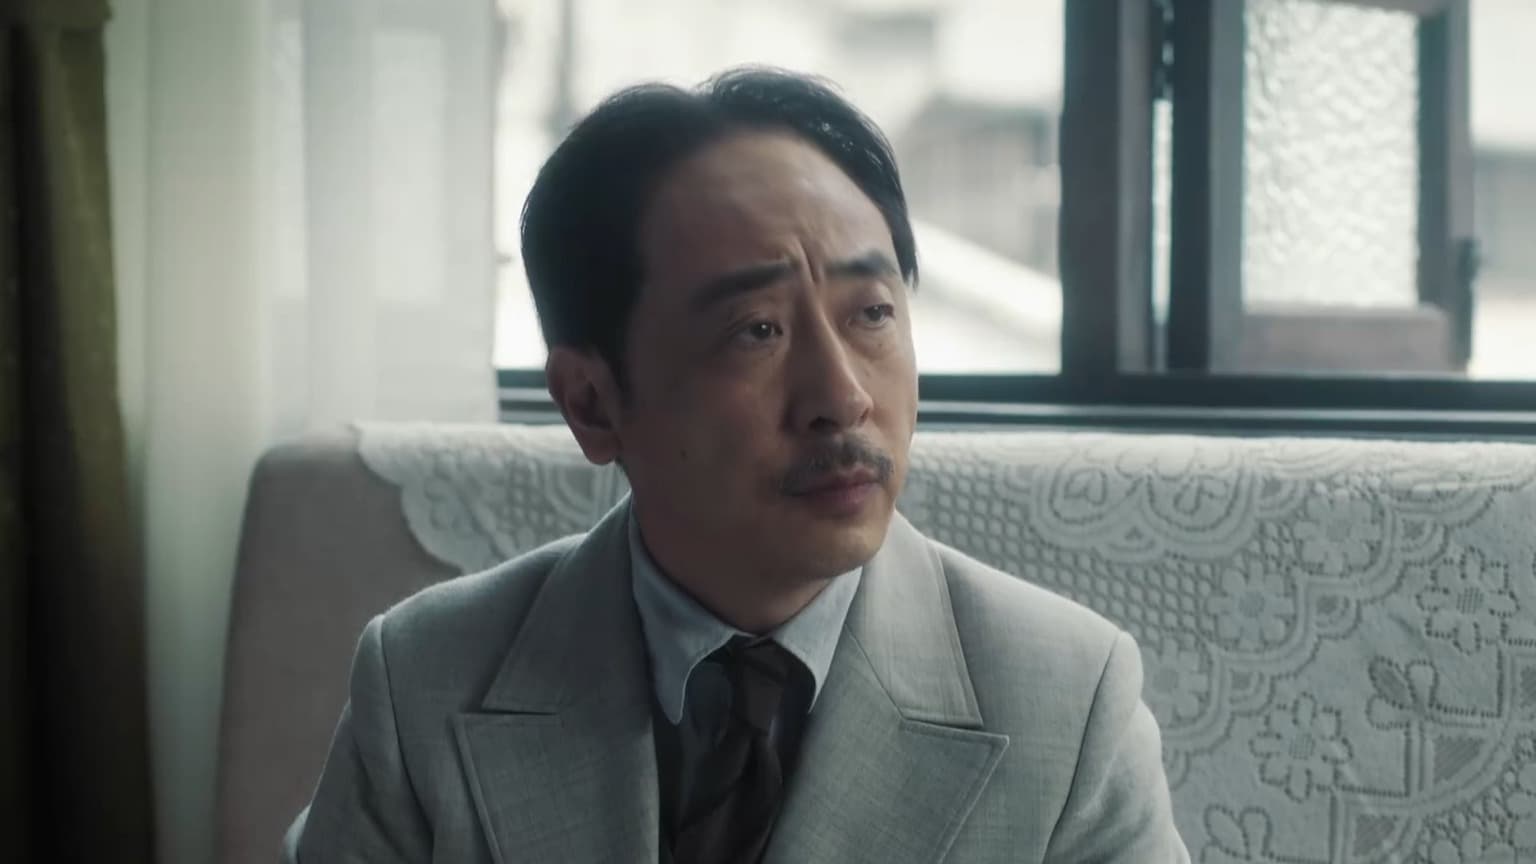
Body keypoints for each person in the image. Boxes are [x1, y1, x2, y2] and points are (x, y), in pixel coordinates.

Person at [284, 67, 1189, 863]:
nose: (842, 397)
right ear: (592, 403)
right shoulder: (426, 681)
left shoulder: (1067, 701)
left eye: (872, 313)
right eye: (756, 331)